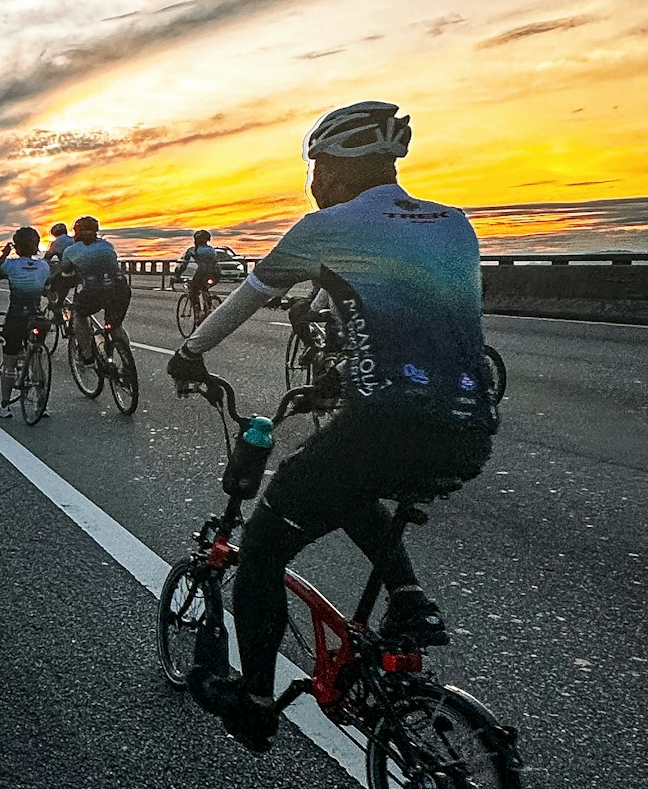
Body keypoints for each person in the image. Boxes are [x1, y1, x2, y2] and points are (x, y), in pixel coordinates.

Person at [166, 100, 498, 753]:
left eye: (315, 165)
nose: (312, 180)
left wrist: (189, 353)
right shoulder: (456, 224)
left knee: (262, 548)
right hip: (470, 426)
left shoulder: (325, 227)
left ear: (338, 169)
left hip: (388, 424)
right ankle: (409, 598)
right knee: (348, 484)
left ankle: (255, 702)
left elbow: (246, 300)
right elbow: (427, 328)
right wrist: (343, 381)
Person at [0, 226, 51, 415]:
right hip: (37, 317)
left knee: (9, 362)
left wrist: (3, 255)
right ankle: (42, 404)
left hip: (16, 317)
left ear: (16, 246)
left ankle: (5, 406)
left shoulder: (10, 264)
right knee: (36, 358)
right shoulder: (44, 266)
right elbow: (47, 287)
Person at [60, 214, 129, 336]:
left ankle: (87, 354)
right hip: (119, 288)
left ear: (76, 232)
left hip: (92, 291)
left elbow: (65, 275)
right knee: (115, 327)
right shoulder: (108, 245)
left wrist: (59, 299)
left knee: (80, 316)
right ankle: (124, 352)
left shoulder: (70, 250)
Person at [174, 229, 222, 318]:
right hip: (216, 273)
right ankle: (209, 305)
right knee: (204, 288)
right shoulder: (212, 250)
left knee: (193, 291)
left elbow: (184, 264)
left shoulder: (192, 250)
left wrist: (177, 275)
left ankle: (198, 313)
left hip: (201, 273)